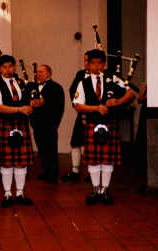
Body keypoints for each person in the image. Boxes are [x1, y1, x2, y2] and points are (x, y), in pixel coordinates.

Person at [72, 49, 135, 205]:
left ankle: (105, 189)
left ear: (104, 64)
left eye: (100, 63)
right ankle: (95, 189)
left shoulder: (112, 78)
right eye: (93, 63)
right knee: (93, 160)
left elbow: (131, 93)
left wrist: (117, 102)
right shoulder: (83, 82)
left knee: (107, 161)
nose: (96, 66)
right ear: (88, 64)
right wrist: (96, 108)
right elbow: (78, 106)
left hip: (110, 124)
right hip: (92, 124)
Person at [0, 55, 34, 208]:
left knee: (21, 163)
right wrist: (19, 109)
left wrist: (34, 104)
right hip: (5, 125)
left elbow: (28, 102)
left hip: (21, 125)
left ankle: (20, 193)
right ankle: (7, 193)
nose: (8, 70)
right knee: (7, 163)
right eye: (5, 67)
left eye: (11, 66)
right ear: (0, 69)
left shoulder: (21, 83)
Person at [30, 64, 64, 184]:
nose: (38, 74)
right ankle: (46, 171)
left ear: (49, 73)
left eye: (41, 72)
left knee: (51, 149)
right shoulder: (33, 86)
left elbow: (59, 107)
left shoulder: (55, 87)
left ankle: (53, 174)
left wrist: (55, 123)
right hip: (37, 124)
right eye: (37, 72)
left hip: (50, 124)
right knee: (42, 149)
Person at [62, 52, 90, 182]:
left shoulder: (105, 76)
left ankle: (92, 173)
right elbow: (72, 90)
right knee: (76, 142)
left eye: (88, 60)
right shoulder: (80, 74)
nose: (86, 63)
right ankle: (75, 171)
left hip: (97, 115)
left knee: (91, 144)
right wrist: (78, 105)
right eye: (85, 60)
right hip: (82, 112)